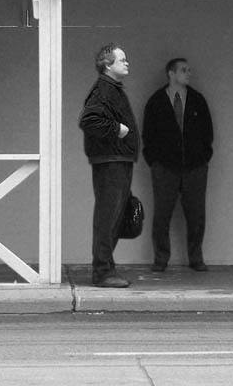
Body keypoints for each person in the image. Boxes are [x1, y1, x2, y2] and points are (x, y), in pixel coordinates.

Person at [143, 58, 214, 272]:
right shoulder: (156, 101)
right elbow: (148, 134)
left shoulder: (197, 100)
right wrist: (154, 161)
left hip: (195, 167)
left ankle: (196, 258)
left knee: (196, 214)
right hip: (165, 167)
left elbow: (207, 132)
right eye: (183, 70)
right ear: (171, 74)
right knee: (162, 214)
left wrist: (203, 157)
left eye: (189, 70)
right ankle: (160, 259)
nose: (188, 73)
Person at [78, 44, 139, 288]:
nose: (127, 63)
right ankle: (103, 271)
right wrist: (117, 129)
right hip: (111, 160)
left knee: (115, 216)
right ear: (107, 65)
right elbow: (89, 120)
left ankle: (106, 268)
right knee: (108, 216)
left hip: (118, 159)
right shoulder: (104, 89)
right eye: (122, 60)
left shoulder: (112, 88)